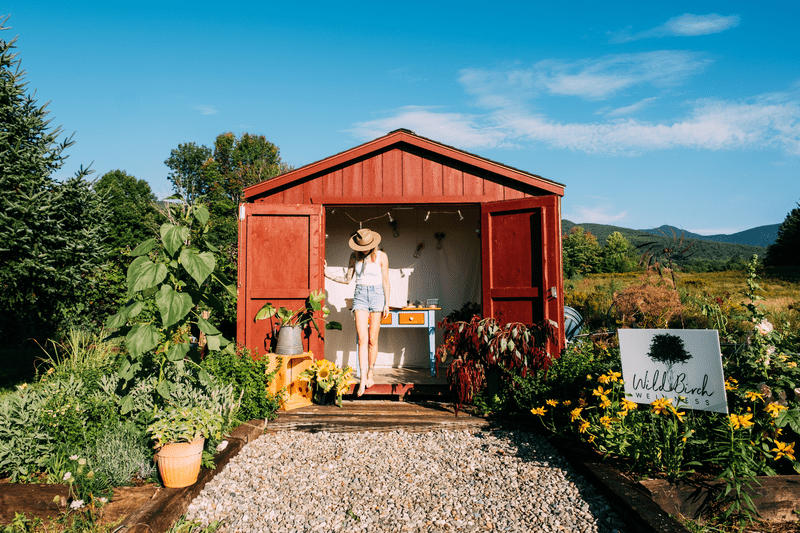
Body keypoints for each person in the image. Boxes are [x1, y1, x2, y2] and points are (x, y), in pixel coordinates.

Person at [324, 228, 390, 396]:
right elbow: (347, 279)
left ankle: (370, 373)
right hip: (360, 295)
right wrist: (327, 273)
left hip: (377, 296)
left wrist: (387, 303)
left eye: (367, 246)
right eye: (361, 246)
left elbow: (385, 280)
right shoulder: (354, 256)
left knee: (372, 339)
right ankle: (362, 380)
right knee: (362, 339)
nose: (364, 249)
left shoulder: (382, 256)